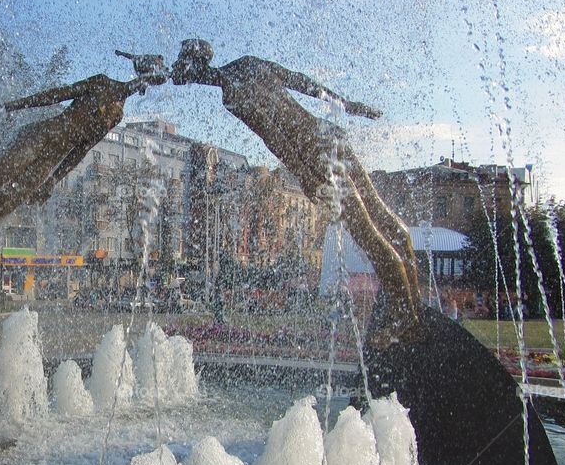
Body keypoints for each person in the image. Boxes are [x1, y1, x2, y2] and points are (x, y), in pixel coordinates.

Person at [170, 39, 421, 338]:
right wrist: (342, 103)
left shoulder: (232, 94)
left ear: (196, 66)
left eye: (182, 67)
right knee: (382, 216)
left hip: (312, 155)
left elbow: (275, 138)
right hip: (327, 135)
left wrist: (306, 177)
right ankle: (414, 305)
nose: (179, 73)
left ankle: (403, 316)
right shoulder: (248, 63)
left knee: (365, 231)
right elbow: (300, 82)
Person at [0, 52, 168, 281]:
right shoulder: (103, 83)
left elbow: (80, 150)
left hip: (48, 162)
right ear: (143, 72)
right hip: (39, 137)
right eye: (151, 73)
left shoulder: (117, 115)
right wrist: (8, 107)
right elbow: (54, 96)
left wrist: (53, 180)